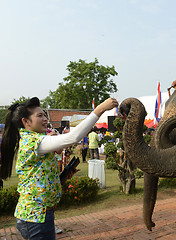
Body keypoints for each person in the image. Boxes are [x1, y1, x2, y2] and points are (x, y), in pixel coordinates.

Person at [0, 97, 117, 239]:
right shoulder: (33, 142)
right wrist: (100, 109)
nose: (45, 119)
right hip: (36, 219)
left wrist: (61, 178)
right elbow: (73, 137)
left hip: (38, 216)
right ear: (26, 122)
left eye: (44, 115)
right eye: (39, 116)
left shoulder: (34, 140)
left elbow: (38, 178)